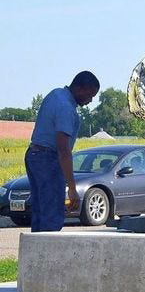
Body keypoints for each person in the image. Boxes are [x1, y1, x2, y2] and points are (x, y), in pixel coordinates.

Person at [25, 71, 99, 231]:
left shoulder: (56, 94)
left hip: (33, 154)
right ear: (79, 88)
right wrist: (72, 188)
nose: (90, 100)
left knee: (40, 210)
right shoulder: (66, 108)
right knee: (52, 213)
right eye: (89, 95)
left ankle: (36, 252)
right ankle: (48, 253)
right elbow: (63, 150)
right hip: (48, 159)